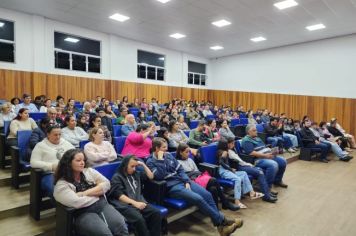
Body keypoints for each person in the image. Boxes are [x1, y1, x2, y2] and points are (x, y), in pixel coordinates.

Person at [146, 138, 243, 236]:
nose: (167, 150)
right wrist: (160, 160)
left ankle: (220, 226)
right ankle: (223, 221)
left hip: (183, 181)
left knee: (207, 194)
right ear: (157, 148)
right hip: (172, 187)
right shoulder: (150, 162)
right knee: (198, 199)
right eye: (164, 147)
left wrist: (186, 180)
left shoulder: (169, 156)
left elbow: (180, 170)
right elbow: (160, 176)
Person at [53, 149, 128, 236]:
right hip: (83, 213)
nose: (82, 163)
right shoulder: (62, 184)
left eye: (83, 160)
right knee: (104, 234)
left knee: (121, 227)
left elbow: (107, 184)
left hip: (103, 206)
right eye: (78, 160)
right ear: (68, 163)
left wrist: (84, 193)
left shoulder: (88, 171)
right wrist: (98, 192)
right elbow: (77, 202)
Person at [108, 155, 162, 236]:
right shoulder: (117, 177)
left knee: (156, 213)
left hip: (138, 201)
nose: (134, 169)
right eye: (132, 166)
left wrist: (143, 165)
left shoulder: (136, 174)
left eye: (136, 166)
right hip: (124, 205)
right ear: (125, 165)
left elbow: (151, 176)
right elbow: (119, 195)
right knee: (139, 219)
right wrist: (135, 203)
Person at [176, 143, 239, 211]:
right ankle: (225, 203)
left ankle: (216, 210)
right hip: (191, 182)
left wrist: (197, 156)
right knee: (213, 180)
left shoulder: (190, 160)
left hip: (198, 178)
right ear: (181, 152)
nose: (188, 154)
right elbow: (182, 175)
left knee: (213, 189)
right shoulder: (177, 162)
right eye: (186, 152)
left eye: (189, 152)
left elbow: (197, 170)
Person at [225, 137, 277, 203]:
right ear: (227, 144)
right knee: (259, 172)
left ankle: (267, 192)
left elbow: (240, 161)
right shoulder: (228, 152)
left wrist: (248, 164)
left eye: (233, 143)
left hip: (241, 165)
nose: (234, 144)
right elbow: (240, 162)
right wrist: (249, 164)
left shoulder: (232, 149)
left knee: (259, 170)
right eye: (232, 143)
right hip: (238, 168)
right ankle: (266, 196)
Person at [217, 139, 264, 209]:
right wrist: (230, 169)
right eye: (227, 144)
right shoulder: (224, 152)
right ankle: (237, 201)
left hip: (227, 170)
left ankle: (252, 193)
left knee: (244, 173)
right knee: (237, 179)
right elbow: (221, 162)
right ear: (224, 145)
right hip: (224, 171)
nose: (228, 145)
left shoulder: (221, 151)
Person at [30, 124, 74, 199]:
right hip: (50, 174)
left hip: (67, 171)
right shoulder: (40, 145)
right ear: (48, 135)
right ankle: (62, 209)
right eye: (55, 135)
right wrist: (51, 166)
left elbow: (75, 154)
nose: (58, 137)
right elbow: (33, 162)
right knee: (56, 190)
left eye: (60, 134)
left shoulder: (65, 143)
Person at [241, 124, 288, 190]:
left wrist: (272, 152)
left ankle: (277, 181)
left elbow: (264, 147)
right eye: (254, 130)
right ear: (248, 132)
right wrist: (265, 155)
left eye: (256, 130)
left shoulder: (257, 138)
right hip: (258, 159)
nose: (256, 131)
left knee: (283, 161)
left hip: (267, 156)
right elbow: (251, 153)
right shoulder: (246, 140)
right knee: (273, 164)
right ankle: (266, 187)